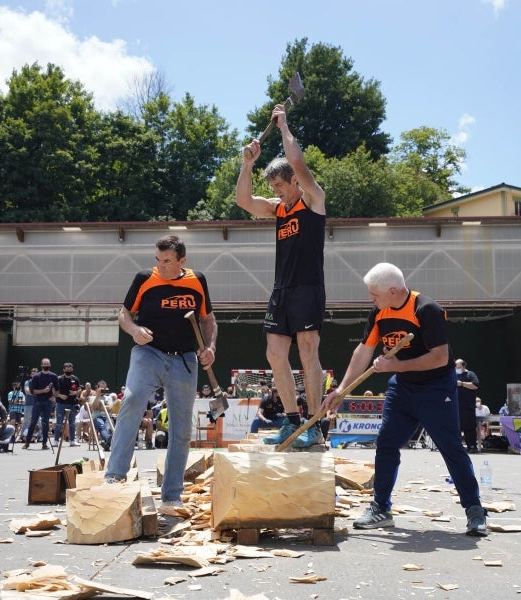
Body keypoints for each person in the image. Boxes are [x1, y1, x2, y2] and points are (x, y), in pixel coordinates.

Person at [322, 263, 487, 536]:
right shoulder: (379, 312)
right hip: (403, 388)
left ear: (393, 290)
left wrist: (394, 366)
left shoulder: (426, 310)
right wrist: (343, 390)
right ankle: (381, 509)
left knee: (451, 448)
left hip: (436, 388)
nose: (371, 299)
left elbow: (439, 358)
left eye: (374, 293)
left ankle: (475, 510)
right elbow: (363, 352)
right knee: (386, 444)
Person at [105, 235, 218, 517]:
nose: (161, 266)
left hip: (185, 359)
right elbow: (124, 314)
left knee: (181, 429)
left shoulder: (197, 280)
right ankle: (114, 478)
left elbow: (208, 319)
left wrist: (210, 347)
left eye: (167, 261)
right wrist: (134, 330)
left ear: (182, 261)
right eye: (158, 259)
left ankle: (171, 497)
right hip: (149, 352)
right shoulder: (145, 278)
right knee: (132, 400)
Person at [236, 103, 327, 449]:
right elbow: (244, 200)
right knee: (275, 354)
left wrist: (284, 125)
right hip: (281, 290)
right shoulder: (277, 209)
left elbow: (299, 163)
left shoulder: (312, 200)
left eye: (280, 184)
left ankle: (315, 424)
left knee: (307, 351)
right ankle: (291, 421)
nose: (276, 190)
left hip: (308, 288)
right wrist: (248, 164)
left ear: (295, 182)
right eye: (272, 185)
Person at [23, 358, 59, 450]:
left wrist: (54, 396)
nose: (46, 365)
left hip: (48, 402)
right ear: (41, 365)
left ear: (50, 364)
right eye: (44, 364)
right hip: (38, 401)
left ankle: (44, 443)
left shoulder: (54, 376)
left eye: (48, 364)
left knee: (45, 423)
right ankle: (27, 442)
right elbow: (32, 391)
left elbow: (57, 389)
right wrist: (43, 390)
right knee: (33, 422)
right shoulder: (36, 377)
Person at [455, 359, 480, 452]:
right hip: (455, 407)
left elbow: (475, 385)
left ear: (463, 366)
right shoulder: (453, 375)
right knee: (455, 428)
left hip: (468, 407)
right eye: (455, 367)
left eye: (458, 367)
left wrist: (461, 384)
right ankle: (457, 447)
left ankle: (472, 446)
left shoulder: (470, 374)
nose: (456, 369)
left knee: (469, 427)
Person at [53, 362, 81, 446]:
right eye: (66, 368)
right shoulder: (59, 379)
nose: (68, 369)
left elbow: (79, 389)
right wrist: (60, 395)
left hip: (72, 404)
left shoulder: (75, 379)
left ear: (72, 369)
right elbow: (53, 391)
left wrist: (76, 392)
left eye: (70, 368)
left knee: (72, 423)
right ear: (63, 369)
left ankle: (72, 441)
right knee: (59, 423)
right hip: (61, 404)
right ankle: (56, 441)